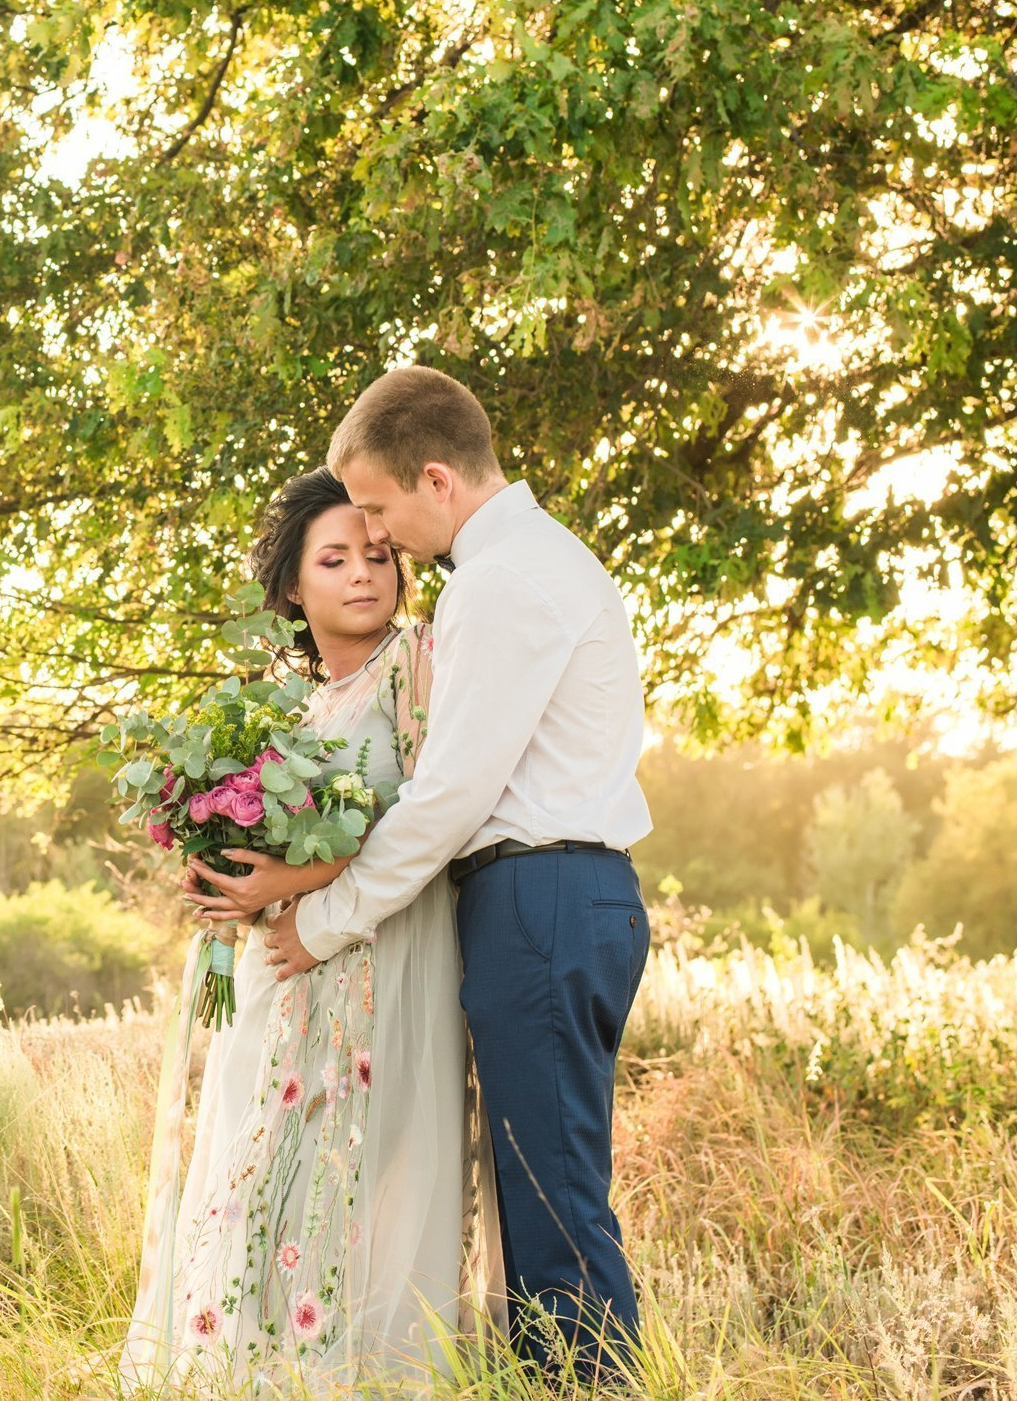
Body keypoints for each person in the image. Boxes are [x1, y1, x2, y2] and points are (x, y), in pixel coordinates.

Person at [265, 366, 653, 1379]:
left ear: (435, 479)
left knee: (554, 1202)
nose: (380, 539)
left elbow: (447, 795)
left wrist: (326, 919)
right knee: (538, 1196)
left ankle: (590, 1389)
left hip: (544, 898)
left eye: (382, 509)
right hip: (555, 897)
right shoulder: (534, 561)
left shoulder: (500, 580)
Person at [120, 467, 501, 1396]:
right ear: (293, 584)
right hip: (285, 975)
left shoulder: (422, 661)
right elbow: (269, 825)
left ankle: (376, 1378)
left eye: (379, 554)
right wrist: (223, 866)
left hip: (388, 954)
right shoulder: (282, 704)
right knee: (264, 1179)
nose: (364, 574)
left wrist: (299, 877)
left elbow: (436, 810)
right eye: (334, 559)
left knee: (377, 1177)